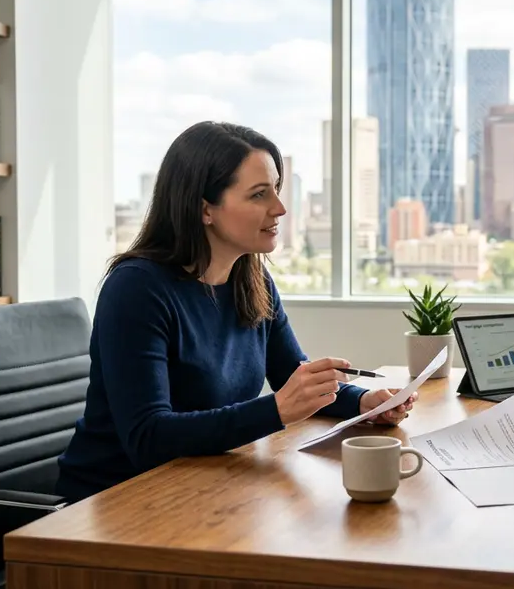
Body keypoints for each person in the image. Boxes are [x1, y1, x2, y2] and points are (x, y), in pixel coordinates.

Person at [55, 121, 414, 502]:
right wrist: (276, 410)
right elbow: (148, 437)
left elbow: (291, 377)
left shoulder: (250, 277)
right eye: (259, 195)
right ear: (205, 208)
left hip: (202, 487)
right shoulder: (136, 289)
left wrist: (362, 402)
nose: (280, 208)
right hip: (114, 504)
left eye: (276, 189)